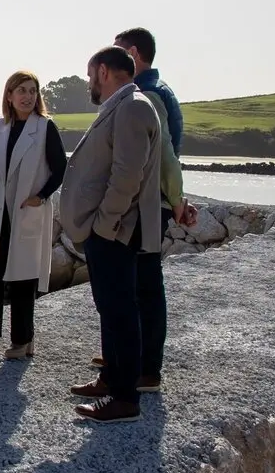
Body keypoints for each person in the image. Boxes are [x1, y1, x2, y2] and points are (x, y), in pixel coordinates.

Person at [83, 30, 197, 391]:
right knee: (135, 290)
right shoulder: (158, 92)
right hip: (150, 203)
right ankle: (124, 366)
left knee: (137, 291)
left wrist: (176, 200)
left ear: (132, 53)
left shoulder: (143, 98)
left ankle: (140, 372)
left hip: (141, 207)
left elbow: (162, 157)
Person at [59, 46, 162, 423]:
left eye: (90, 76)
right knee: (111, 308)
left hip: (116, 231)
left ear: (103, 71)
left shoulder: (133, 107)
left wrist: (104, 226)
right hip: (110, 230)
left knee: (120, 311)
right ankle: (111, 378)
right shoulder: (122, 107)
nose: (90, 83)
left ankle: (124, 399)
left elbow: (126, 175)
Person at [0, 70, 67, 359]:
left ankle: (23, 340)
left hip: (25, 211)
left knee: (23, 279)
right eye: (21, 90)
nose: (28, 96)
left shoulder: (45, 128)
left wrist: (41, 196)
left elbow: (61, 168)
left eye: (32, 91)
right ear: (9, 95)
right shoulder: (0, 126)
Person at [114, 27, 185, 155]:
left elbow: (158, 154)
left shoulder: (147, 94)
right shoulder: (158, 88)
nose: (109, 61)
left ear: (133, 53)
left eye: (116, 54)